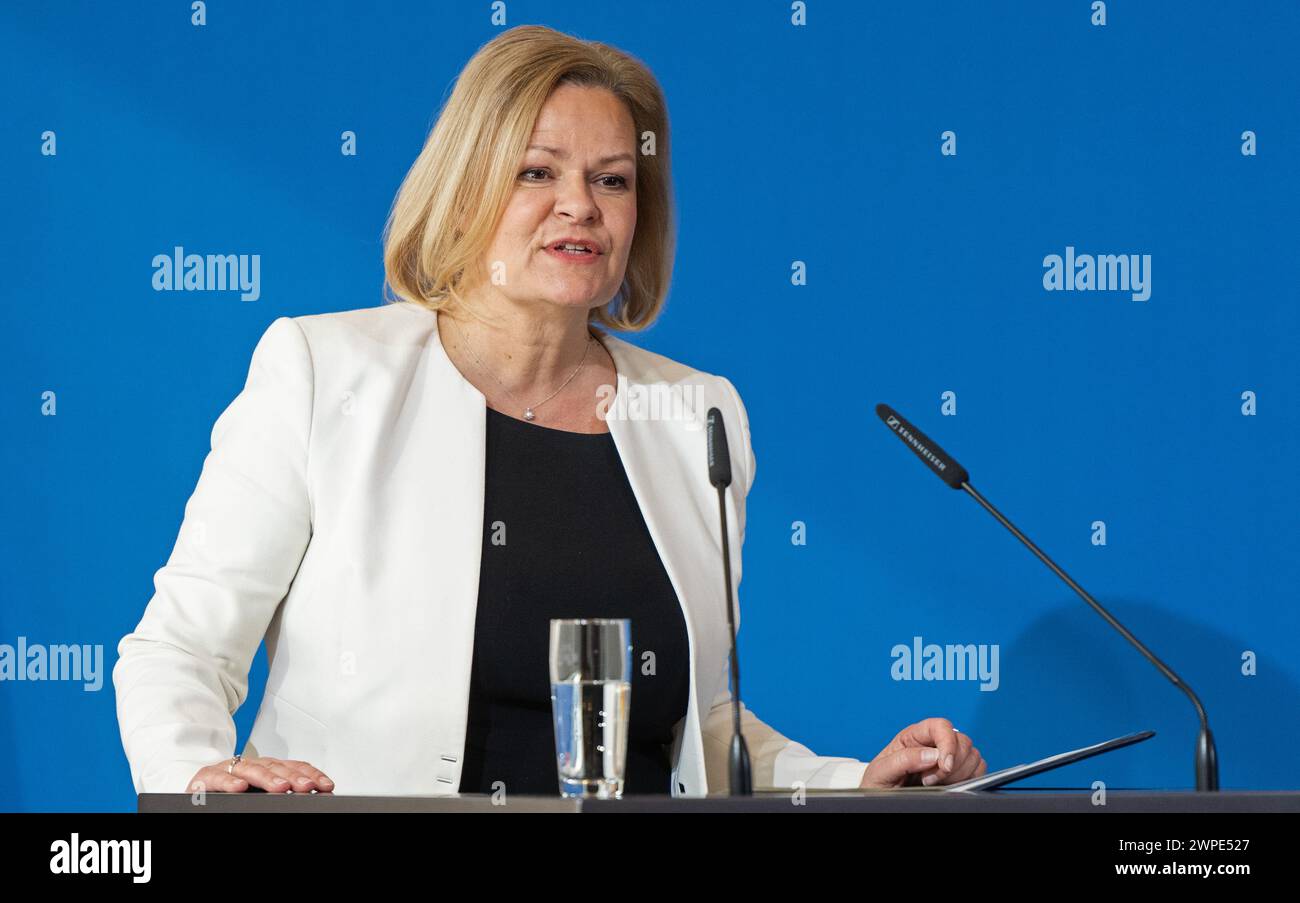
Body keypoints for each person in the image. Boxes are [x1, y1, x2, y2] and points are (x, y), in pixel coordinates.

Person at [113, 24, 986, 797]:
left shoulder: (697, 414)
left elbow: (699, 732)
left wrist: (854, 783)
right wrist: (197, 776)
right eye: (538, 171)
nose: (581, 206)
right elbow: (181, 647)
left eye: (612, 179)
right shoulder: (325, 371)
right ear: (465, 189)